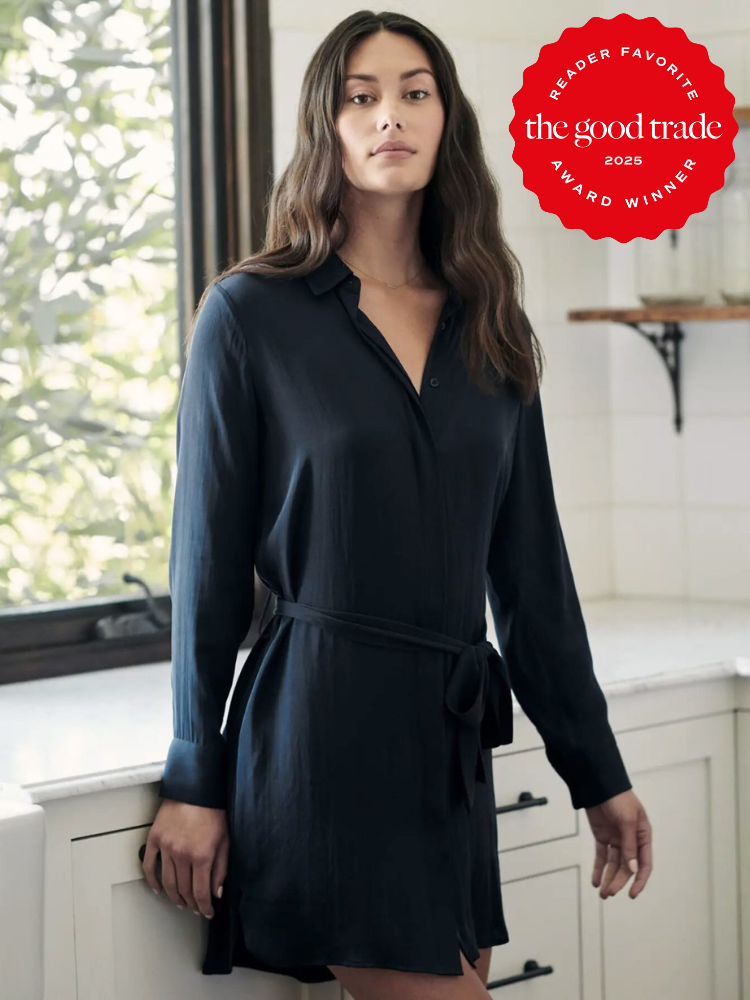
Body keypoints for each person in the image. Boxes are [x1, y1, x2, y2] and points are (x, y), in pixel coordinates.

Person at [141, 10, 653, 999]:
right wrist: (195, 776)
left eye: (415, 92)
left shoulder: (491, 322)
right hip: (320, 733)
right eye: (361, 96)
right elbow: (205, 567)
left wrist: (599, 771)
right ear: (326, 125)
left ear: (446, 117)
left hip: (449, 749)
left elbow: (533, 578)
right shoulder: (250, 314)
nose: (391, 116)